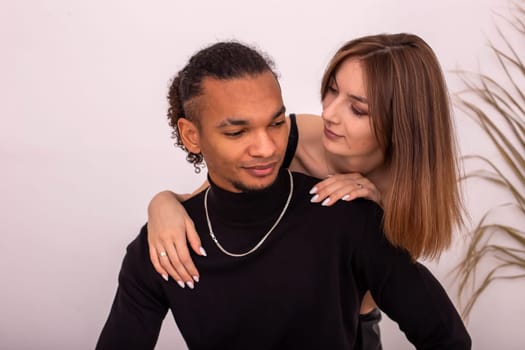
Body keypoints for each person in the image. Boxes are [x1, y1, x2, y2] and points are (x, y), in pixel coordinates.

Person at [96, 40, 470, 349]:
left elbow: (442, 335)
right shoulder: (299, 137)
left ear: (398, 127)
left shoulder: (363, 212)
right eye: (331, 91)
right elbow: (213, 193)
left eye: (357, 108)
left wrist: (370, 216)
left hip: (357, 317)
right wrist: (162, 204)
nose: (330, 115)